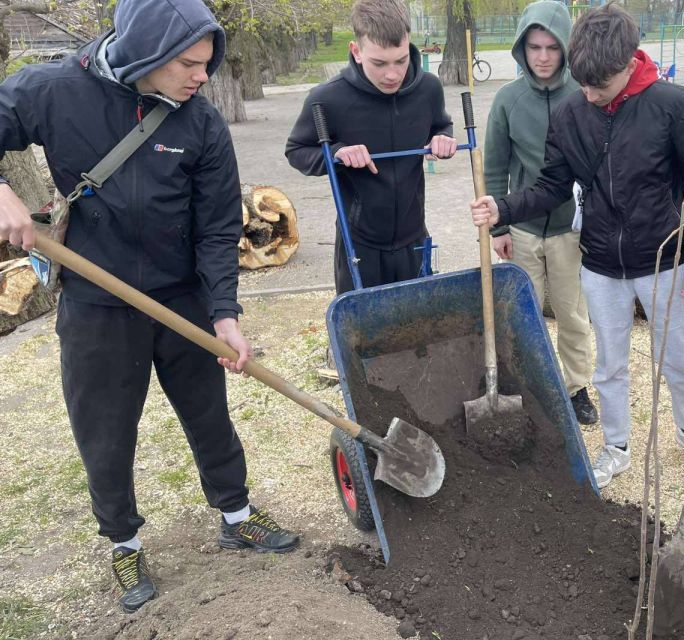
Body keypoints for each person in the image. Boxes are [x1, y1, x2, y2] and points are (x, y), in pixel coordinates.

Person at [0, 0, 299, 615]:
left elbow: (219, 228)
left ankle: (236, 514)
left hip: (181, 296)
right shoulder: (54, 91)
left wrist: (224, 315)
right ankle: (124, 543)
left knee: (209, 414)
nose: (201, 77)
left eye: (208, 63)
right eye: (189, 63)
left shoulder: (201, 124)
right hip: (95, 302)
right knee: (105, 433)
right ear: (147, 53)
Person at [470, 4, 684, 489]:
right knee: (608, 363)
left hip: (666, 259)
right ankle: (616, 447)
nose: (588, 95)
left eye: (599, 87)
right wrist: (502, 209)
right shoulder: (572, 111)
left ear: (630, 64)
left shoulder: (674, 105)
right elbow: (551, 185)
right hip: (602, 263)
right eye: (582, 84)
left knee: (679, 356)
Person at [286, 0, 457, 294]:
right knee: (361, 336)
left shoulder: (428, 89)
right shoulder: (327, 99)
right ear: (356, 50)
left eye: (401, 60)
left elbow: (440, 125)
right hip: (359, 245)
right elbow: (297, 151)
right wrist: (337, 153)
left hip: (414, 238)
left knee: (418, 328)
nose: (392, 74)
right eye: (379, 63)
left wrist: (442, 137)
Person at [484, 1, 598, 427]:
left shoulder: (584, 96)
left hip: (571, 228)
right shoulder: (508, 101)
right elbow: (494, 166)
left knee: (571, 312)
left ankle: (575, 387)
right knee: (525, 314)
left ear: (566, 49)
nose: (544, 56)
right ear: (522, 48)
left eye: (552, 46)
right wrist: (498, 227)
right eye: (534, 47)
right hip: (523, 226)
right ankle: (531, 385)